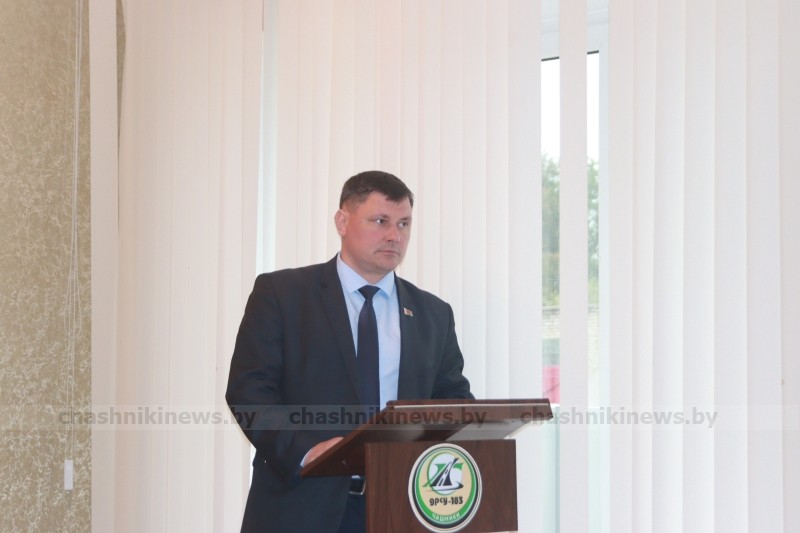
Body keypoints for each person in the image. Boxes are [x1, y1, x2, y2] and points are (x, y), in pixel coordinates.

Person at [226, 170, 473, 532]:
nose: (394, 235)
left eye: (404, 224)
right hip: (303, 505)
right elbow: (249, 393)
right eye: (380, 221)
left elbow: (452, 400)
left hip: (402, 507)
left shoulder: (433, 313)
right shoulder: (282, 294)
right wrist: (308, 452)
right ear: (342, 222)